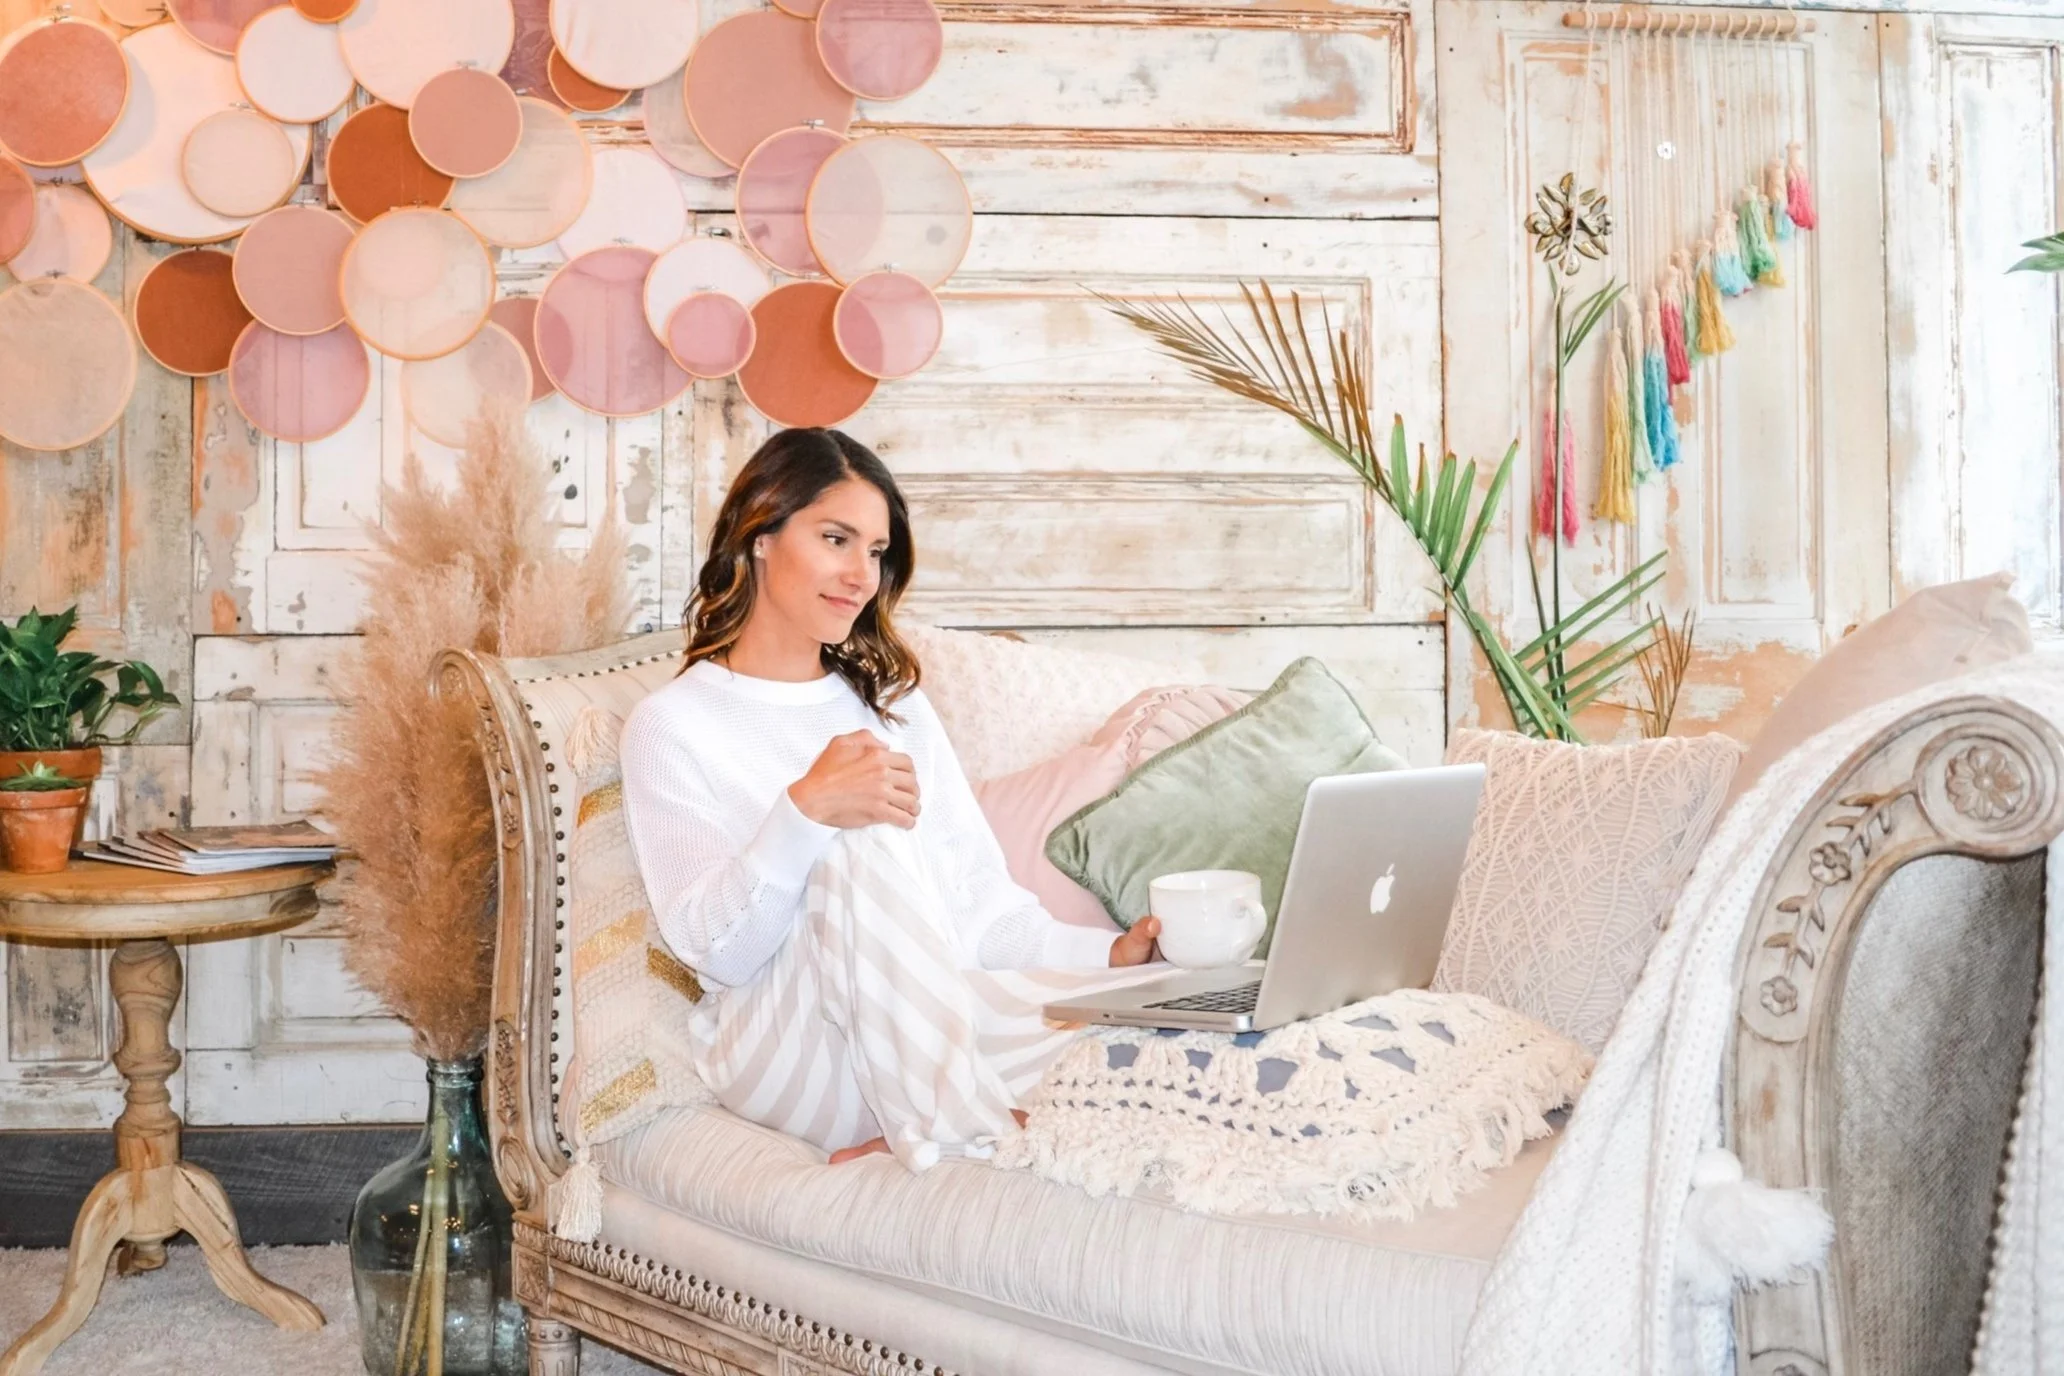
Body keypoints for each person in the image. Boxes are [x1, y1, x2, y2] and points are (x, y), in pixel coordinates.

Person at [620, 427, 1163, 1171]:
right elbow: (717, 954)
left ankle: (946, 1111)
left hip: (917, 1025)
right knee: (860, 834)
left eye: (875, 552)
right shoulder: (673, 724)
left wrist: (1107, 956)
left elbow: (978, 909)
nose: (860, 575)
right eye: (835, 539)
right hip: (781, 1049)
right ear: (760, 535)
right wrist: (806, 812)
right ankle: (958, 1125)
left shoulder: (891, 707)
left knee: (1147, 1037)